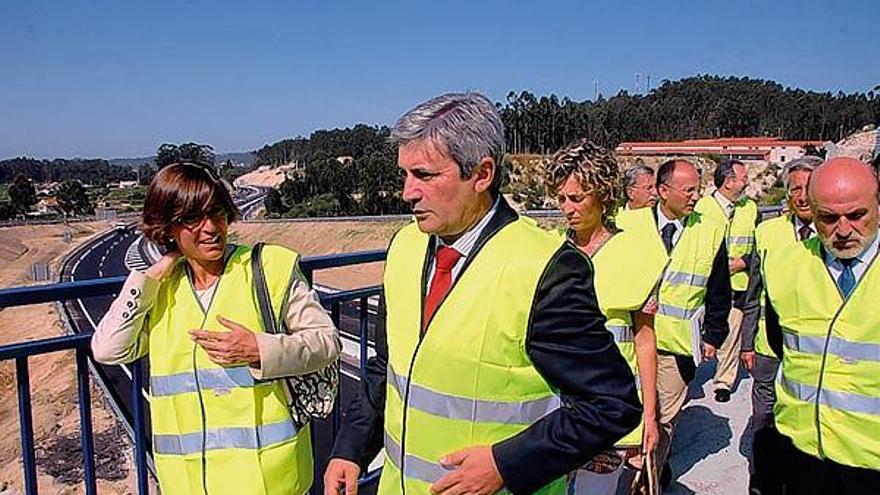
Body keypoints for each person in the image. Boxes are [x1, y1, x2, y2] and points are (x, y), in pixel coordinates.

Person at [324, 93, 641, 495]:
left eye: (424, 175)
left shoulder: (544, 267)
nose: (407, 192)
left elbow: (611, 404)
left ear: (482, 173)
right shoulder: (405, 246)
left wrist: (506, 465)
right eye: (404, 174)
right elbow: (387, 365)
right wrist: (351, 448)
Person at [91, 161, 341, 495]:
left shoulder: (268, 269)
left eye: (218, 212)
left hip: (269, 482)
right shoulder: (161, 290)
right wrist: (150, 276)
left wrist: (259, 349)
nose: (211, 228)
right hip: (187, 483)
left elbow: (326, 342)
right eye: (192, 218)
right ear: (167, 227)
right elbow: (108, 350)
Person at [545, 139, 664, 494]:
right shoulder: (549, 251)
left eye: (577, 198)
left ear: (603, 194)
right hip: (555, 406)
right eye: (562, 198)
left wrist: (650, 418)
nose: (568, 208)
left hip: (609, 406)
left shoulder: (638, 252)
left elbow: (644, 340)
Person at [763, 157, 880, 494]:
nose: (843, 230)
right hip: (803, 454)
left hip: (872, 463)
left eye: (857, 215)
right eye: (828, 218)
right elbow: (778, 342)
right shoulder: (785, 267)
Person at [616, 159, 731, 488]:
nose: (696, 196)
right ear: (663, 191)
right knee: (629, 418)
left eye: (698, 189)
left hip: (677, 348)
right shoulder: (627, 222)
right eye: (689, 190)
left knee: (663, 422)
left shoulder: (709, 231)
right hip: (631, 341)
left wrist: (714, 335)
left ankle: (646, 483)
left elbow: (719, 290)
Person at [739, 155, 821, 494]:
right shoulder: (767, 232)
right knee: (764, 423)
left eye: (808, 189)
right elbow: (754, 292)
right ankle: (762, 484)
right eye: (793, 189)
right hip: (768, 349)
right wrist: (746, 343)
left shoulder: (836, 235)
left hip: (815, 352)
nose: (801, 196)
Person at [694, 159, 758, 403]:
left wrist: (744, 262)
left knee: (732, 332)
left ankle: (724, 381)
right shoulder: (702, 208)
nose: (747, 182)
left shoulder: (750, 208)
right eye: (743, 178)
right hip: (705, 283)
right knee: (702, 331)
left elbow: (760, 244)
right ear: (729, 182)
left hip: (738, 285)